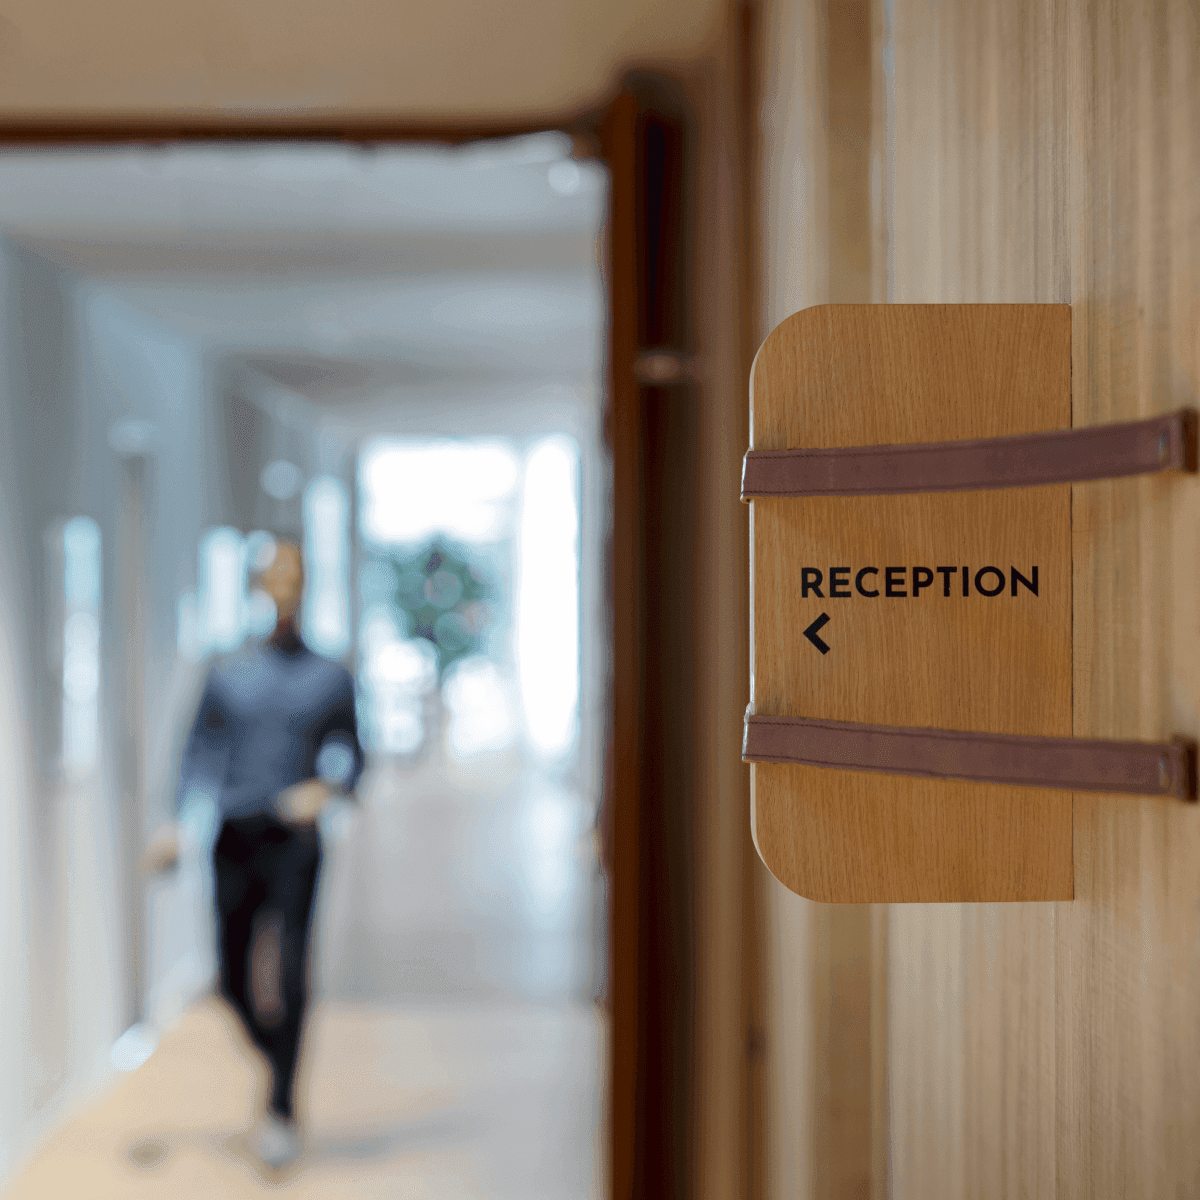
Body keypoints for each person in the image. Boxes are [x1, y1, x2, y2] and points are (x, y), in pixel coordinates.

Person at [145, 539, 364, 1171]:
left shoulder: (330, 676)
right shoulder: (228, 673)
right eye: (276, 575)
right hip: (235, 837)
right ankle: (278, 1056)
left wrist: (326, 787)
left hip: (294, 841)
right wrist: (174, 825)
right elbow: (196, 756)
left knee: (292, 969)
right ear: (259, 586)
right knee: (232, 976)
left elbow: (355, 757)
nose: (285, 586)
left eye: (295, 574)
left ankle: (281, 1109)